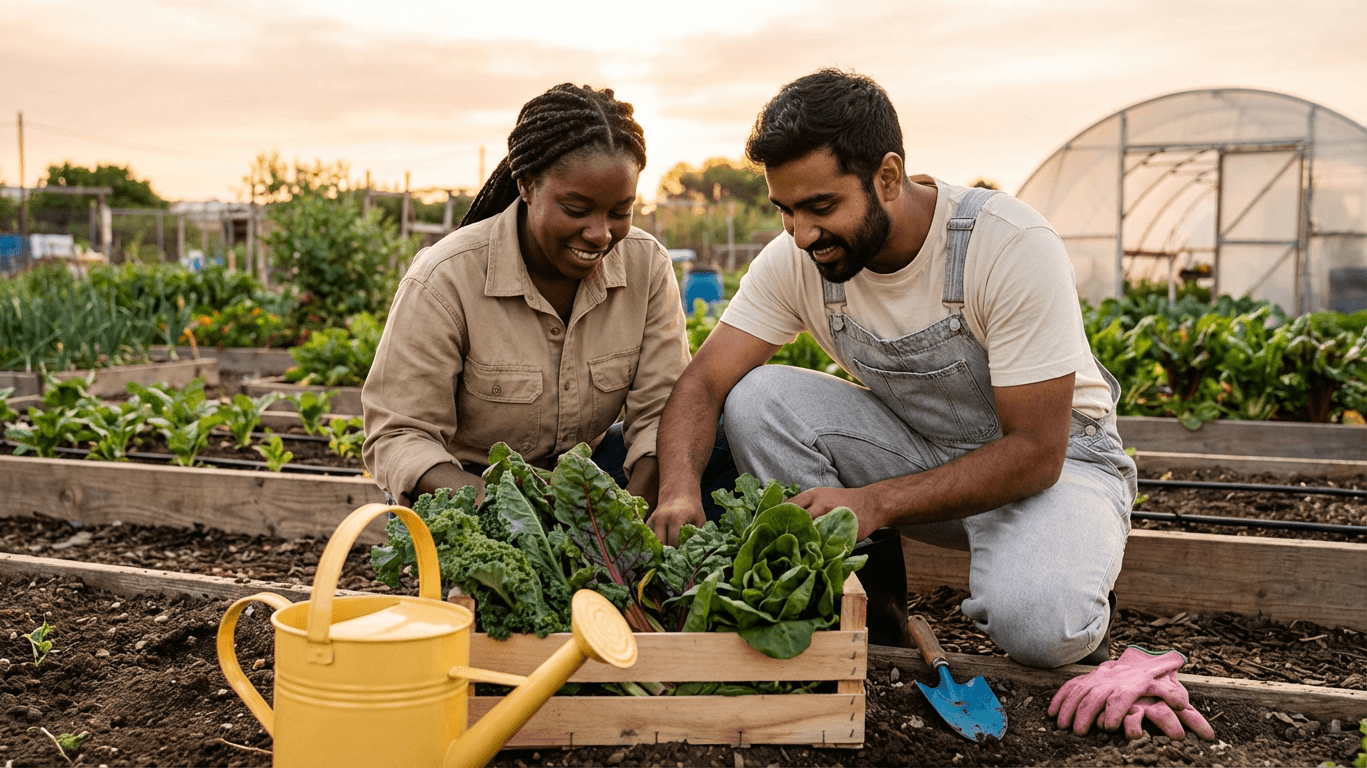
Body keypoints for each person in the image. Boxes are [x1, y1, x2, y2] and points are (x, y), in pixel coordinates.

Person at [648, 69, 1138, 670]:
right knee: (757, 397)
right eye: (785, 211)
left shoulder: (1006, 243)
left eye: (822, 206)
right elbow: (703, 383)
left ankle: (1070, 573)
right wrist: (676, 489)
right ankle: (872, 619)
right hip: (922, 457)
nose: (802, 234)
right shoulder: (798, 260)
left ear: (887, 176)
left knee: (1040, 628)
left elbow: (1038, 450)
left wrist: (875, 503)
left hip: (1057, 469)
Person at [362, 83, 691, 513]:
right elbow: (399, 436)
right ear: (528, 185)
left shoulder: (645, 266)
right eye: (576, 209)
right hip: (469, 490)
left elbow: (661, 417)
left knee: (717, 432)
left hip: (588, 482)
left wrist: (621, 525)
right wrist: (526, 518)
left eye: (619, 212)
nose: (600, 233)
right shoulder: (444, 279)